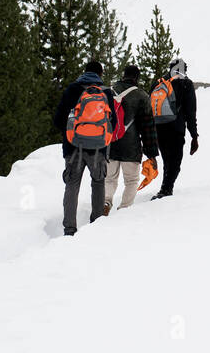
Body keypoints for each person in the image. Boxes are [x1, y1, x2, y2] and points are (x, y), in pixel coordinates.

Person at [53, 60, 116, 236]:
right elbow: (114, 122)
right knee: (98, 183)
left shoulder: (72, 90)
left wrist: (71, 135)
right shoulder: (106, 93)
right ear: (100, 74)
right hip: (98, 149)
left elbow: (58, 119)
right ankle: (96, 224)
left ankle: (69, 228)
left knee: (72, 185)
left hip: (73, 147)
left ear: (84, 72)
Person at [104, 64, 159, 213]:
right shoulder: (141, 96)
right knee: (131, 181)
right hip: (131, 147)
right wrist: (152, 154)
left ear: (123, 75)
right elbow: (148, 128)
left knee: (109, 179)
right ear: (136, 78)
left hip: (111, 144)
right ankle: (124, 209)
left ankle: (106, 202)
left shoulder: (109, 91)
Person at [149, 58, 199, 200]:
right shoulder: (186, 84)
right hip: (176, 129)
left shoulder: (158, 83)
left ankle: (165, 187)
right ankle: (166, 189)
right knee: (175, 162)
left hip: (158, 127)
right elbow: (190, 112)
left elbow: (149, 107)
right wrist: (194, 136)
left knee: (167, 160)